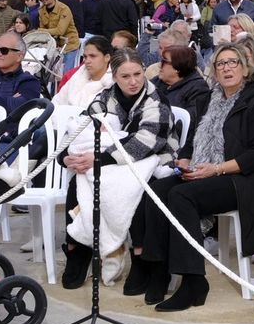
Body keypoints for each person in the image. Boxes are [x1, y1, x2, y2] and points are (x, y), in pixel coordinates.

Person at [134, 42, 254, 309]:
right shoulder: (209, 99)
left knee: (180, 196)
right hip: (206, 171)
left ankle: (193, 281)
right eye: (220, 64)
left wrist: (217, 169)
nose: (227, 68)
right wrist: (186, 159)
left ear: (245, 68)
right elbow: (192, 141)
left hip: (244, 180)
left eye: (233, 62)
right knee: (156, 190)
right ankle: (159, 269)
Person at [58, 48, 174, 287]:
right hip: (112, 159)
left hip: (151, 160)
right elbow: (81, 128)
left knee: (140, 193)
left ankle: (139, 256)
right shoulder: (105, 97)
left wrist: (97, 159)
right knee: (77, 182)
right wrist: (66, 157)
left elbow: (148, 141)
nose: (133, 82)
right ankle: (77, 248)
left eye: (137, 74)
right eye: (125, 76)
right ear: (114, 77)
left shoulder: (156, 100)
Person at [151, 44, 211, 134]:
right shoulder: (157, 81)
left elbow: (188, 123)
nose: (160, 65)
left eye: (164, 61)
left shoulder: (198, 89)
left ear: (177, 67)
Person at [53, 37, 116, 109]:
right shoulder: (76, 76)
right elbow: (57, 102)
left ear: (107, 57)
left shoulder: (113, 84)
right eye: (85, 57)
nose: (87, 61)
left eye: (92, 56)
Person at [35, 0, 80, 71]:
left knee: (65, 74)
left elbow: (60, 31)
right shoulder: (41, 10)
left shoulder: (64, 9)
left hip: (69, 46)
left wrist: (39, 30)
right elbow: (43, 33)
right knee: (51, 75)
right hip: (53, 47)